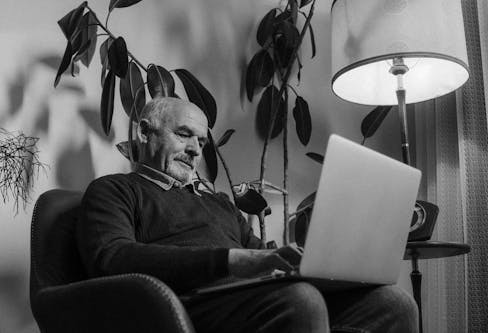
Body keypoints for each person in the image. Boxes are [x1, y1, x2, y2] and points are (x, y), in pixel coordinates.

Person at [77, 96, 418, 333]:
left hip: (248, 298)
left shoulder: (220, 203)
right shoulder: (115, 190)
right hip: (183, 305)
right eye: (184, 135)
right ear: (143, 131)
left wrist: (304, 260)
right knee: (299, 300)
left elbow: (261, 256)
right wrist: (231, 261)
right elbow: (112, 258)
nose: (196, 150)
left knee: (393, 304)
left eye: (202, 142)